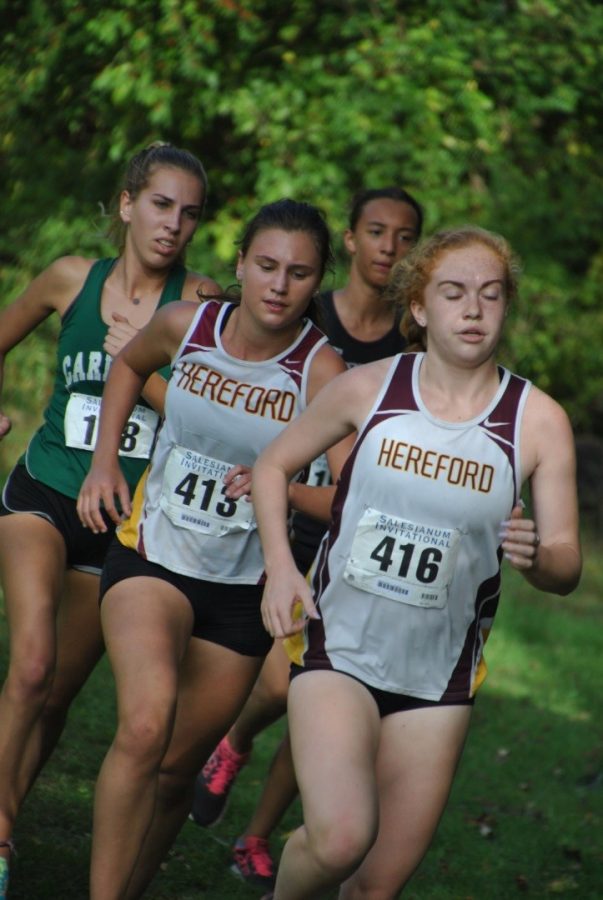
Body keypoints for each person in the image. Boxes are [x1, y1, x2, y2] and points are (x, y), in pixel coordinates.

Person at [252, 225, 582, 899]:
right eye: (454, 293)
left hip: (437, 683)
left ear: (504, 308)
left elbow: (565, 562)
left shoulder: (537, 421)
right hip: (338, 651)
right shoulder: (367, 388)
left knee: (374, 886)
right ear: (420, 307)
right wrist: (282, 568)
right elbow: (271, 464)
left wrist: (535, 559)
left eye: (490, 296)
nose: (472, 310)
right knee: (342, 838)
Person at [76, 198, 353, 899]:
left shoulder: (324, 372)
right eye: (265, 265)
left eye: (298, 273)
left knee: (175, 769)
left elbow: (352, 495)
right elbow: (126, 369)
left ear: (316, 282)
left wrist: (280, 488)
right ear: (239, 265)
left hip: (240, 593)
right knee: (144, 727)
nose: (278, 284)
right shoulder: (185, 325)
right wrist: (104, 461)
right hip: (152, 556)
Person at [0, 142, 219, 899]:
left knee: (56, 693)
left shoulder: (199, 302)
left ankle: (11, 811)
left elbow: (212, 421)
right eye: (160, 205)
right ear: (127, 204)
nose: (172, 226)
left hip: (124, 522)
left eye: (189, 214)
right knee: (28, 665)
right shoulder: (70, 278)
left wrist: (143, 371)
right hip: (47, 488)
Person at [190, 186, 423, 891]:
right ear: (348, 243)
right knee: (284, 682)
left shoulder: (412, 341)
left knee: (316, 687)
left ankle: (256, 827)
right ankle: (229, 744)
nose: (388, 246)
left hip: (346, 523)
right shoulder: (303, 308)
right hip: (265, 507)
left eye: (405, 236)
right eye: (375, 231)